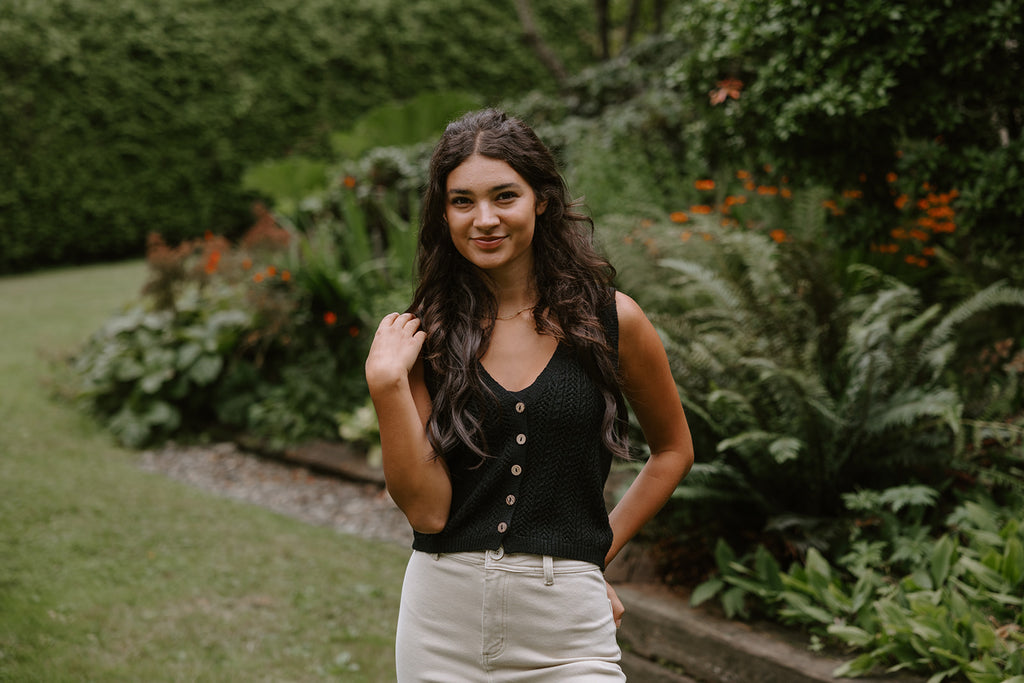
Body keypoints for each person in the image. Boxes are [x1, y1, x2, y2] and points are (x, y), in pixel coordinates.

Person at [365, 108, 694, 682]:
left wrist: (590, 558)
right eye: (462, 201)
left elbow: (673, 451)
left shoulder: (613, 322)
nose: (484, 219)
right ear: (443, 213)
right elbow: (428, 509)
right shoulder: (423, 337)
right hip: (441, 623)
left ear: (541, 199)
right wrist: (386, 385)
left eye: (504, 196)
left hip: (567, 628)